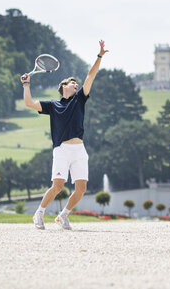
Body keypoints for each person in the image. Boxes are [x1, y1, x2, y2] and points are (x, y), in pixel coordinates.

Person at [23, 40, 108, 231]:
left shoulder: (80, 99)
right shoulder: (53, 105)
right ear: (63, 87)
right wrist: (26, 84)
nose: (76, 84)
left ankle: (63, 216)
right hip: (61, 149)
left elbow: (90, 75)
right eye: (72, 83)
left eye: (76, 83)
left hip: (79, 149)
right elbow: (28, 103)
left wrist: (99, 56)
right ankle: (39, 213)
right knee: (58, 186)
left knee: (82, 189)